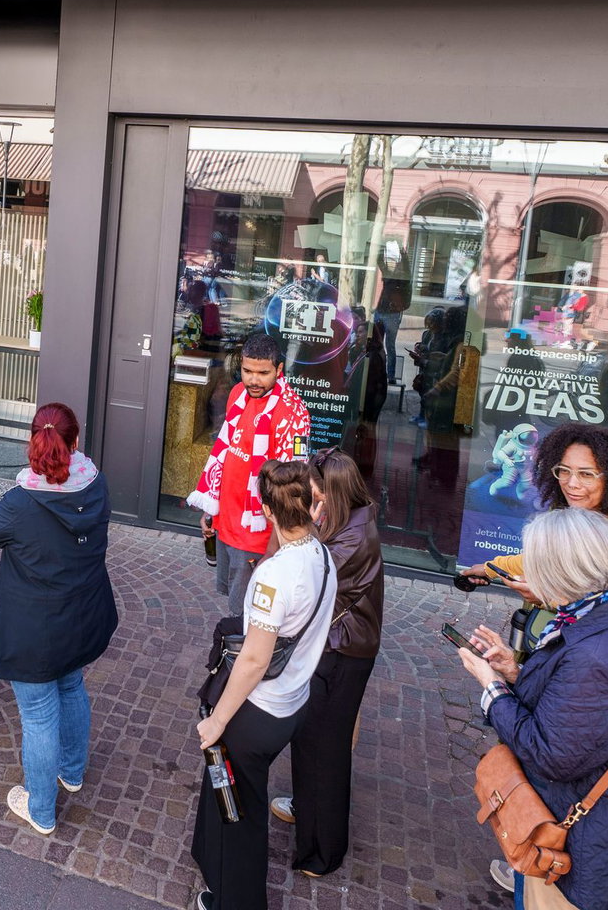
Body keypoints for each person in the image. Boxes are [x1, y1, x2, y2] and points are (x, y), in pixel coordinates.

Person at [457, 509, 608, 909]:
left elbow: (550, 754)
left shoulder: (596, 655)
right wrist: (514, 671)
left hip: (585, 842)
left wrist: (492, 688)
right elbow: (575, 709)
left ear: (560, 574)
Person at [191, 460, 336, 910]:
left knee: (240, 810)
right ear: (311, 505)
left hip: (259, 712)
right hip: (293, 700)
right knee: (232, 796)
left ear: (268, 511)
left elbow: (254, 660)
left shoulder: (272, 578)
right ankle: (213, 867)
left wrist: (218, 721)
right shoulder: (322, 556)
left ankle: (236, 901)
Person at [0, 403, 117, 835]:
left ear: (33, 443)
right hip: (80, 615)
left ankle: (41, 809)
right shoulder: (96, 484)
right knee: (72, 684)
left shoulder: (21, 501)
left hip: (34, 630)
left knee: (39, 715)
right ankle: (71, 772)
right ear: (75, 441)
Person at [268, 449, 382, 876]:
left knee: (327, 751)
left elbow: (304, 576)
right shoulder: (349, 519)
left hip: (341, 654)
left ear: (331, 492)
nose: (309, 498)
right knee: (310, 738)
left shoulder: (352, 538)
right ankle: (306, 808)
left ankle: (323, 852)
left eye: (314, 492)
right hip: (332, 647)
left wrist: (297, 527)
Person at [462, 423, 608, 624]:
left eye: (586, 474)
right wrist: (490, 568)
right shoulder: (579, 521)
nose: (571, 483)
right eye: (564, 470)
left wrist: (549, 599)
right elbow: (548, 558)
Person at [187, 333, 313, 616]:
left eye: (263, 373)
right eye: (247, 371)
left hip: (258, 537)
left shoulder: (294, 413)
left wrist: (272, 550)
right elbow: (225, 457)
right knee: (235, 607)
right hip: (227, 523)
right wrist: (211, 511)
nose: (254, 380)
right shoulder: (237, 394)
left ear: (279, 369)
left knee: (249, 614)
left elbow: (293, 487)